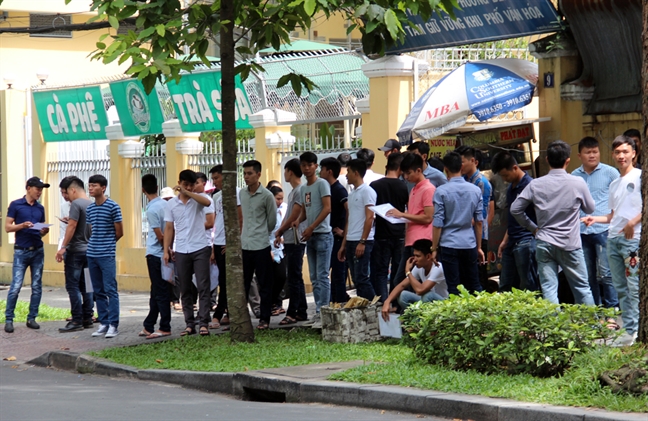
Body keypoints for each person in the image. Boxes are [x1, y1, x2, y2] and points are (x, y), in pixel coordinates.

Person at [510, 140, 595, 306]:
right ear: (568, 160)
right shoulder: (577, 182)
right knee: (582, 288)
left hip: (544, 242)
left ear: (547, 159)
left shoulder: (535, 184)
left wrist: (532, 228)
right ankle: (591, 328)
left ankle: (553, 329)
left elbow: (515, 209)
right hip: (570, 243)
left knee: (548, 288)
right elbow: (590, 208)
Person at [583, 135, 642, 346]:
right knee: (620, 287)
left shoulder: (640, 177)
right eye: (617, 152)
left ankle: (636, 331)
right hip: (613, 239)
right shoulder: (615, 182)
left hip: (632, 240)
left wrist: (632, 223)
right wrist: (594, 219)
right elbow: (612, 215)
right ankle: (629, 329)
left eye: (625, 152)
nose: (621, 156)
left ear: (634, 153)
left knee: (634, 286)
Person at [163, 170, 214, 337]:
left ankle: (204, 322)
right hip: (181, 249)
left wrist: (189, 193)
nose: (189, 187)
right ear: (179, 182)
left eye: (192, 185)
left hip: (200, 247)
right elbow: (169, 228)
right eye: (185, 184)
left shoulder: (199, 200)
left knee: (203, 286)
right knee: (184, 288)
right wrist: (166, 250)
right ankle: (189, 323)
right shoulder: (171, 204)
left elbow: (206, 203)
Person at [571, 137, 620, 308]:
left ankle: (612, 309)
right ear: (580, 155)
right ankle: (595, 310)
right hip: (581, 232)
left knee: (606, 273)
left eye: (595, 151)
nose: (592, 155)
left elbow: (620, 200)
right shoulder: (574, 176)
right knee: (587, 274)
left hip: (604, 229)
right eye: (588, 152)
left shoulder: (611, 173)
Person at [431, 151, 484, 294]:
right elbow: (479, 221)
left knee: (453, 287)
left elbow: (438, 223)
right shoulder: (475, 190)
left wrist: (434, 248)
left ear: (445, 169)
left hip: (449, 243)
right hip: (469, 243)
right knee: (474, 284)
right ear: (461, 167)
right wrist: (479, 247)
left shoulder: (440, 191)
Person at [4, 177, 50, 334]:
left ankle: (32, 318)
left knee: (37, 285)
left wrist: (44, 230)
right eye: (37, 189)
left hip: (37, 249)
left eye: (41, 189)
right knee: (16, 286)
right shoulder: (16, 205)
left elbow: (42, 229)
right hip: (21, 251)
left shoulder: (40, 208)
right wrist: (21, 226)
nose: (39, 192)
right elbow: (8, 227)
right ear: (28, 188)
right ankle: (9, 318)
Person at [491, 152, 540, 292]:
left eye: (505, 175)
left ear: (514, 168)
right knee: (505, 284)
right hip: (512, 241)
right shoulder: (510, 188)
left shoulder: (531, 185)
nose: (504, 179)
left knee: (528, 284)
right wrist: (504, 241)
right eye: (501, 176)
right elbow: (513, 218)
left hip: (526, 240)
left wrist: (536, 232)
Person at [387, 153, 435, 294]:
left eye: (408, 173)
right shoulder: (414, 189)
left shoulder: (428, 189)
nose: (406, 177)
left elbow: (428, 217)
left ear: (419, 171)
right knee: (402, 280)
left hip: (421, 241)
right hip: (411, 240)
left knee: (407, 280)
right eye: (404, 174)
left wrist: (402, 214)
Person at [239, 160, 277, 330]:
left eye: (249, 173)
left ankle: (265, 318)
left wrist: (261, 233)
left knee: (264, 284)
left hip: (261, 245)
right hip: (245, 245)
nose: (246, 177)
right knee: (244, 284)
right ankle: (242, 318)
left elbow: (272, 221)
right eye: (245, 173)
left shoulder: (267, 195)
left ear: (258, 174)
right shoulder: (242, 194)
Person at [86, 174, 124, 338]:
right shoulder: (90, 208)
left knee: (110, 289)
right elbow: (91, 230)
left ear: (103, 188)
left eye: (94, 185)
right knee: (97, 290)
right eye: (89, 185)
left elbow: (119, 232)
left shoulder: (113, 206)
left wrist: (107, 243)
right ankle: (103, 322)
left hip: (106, 254)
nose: (90, 188)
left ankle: (113, 325)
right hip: (91, 254)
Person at [298, 152, 332, 327]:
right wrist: (298, 221)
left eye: (310, 164)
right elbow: (305, 210)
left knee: (322, 275)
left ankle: (323, 311)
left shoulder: (322, 184)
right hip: (310, 236)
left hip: (323, 234)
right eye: (304, 165)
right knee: (313, 276)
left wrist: (312, 227)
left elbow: (327, 208)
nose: (307, 168)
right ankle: (319, 310)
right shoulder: (304, 188)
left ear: (315, 166)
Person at [55, 177, 94, 332]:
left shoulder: (76, 204)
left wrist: (63, 246)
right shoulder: (92, 204)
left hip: (76, 251)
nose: (66, 197)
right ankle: (88, 317)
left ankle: (76, 320)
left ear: (73, 190)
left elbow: (72, 226)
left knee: (73, 286)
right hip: (89, 250)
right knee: (87, 287)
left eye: (66, 193)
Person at [369, 153, 408, 302]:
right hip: (399, 234)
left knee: (380, 271)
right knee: (398, 271)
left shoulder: (375, 185)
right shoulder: (403, 186)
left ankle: (382, 302)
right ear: (400, 168)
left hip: (381, 233)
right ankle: (394, 303)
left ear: (387, 166)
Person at [274, 159, 309, 324]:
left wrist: (280, 230)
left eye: (285, 171)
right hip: (290, 237)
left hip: (296, 238)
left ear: (290, 171)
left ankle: (293, 311)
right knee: (296, 276)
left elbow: (294, 215)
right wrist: (280, 232)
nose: (284, 174)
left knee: (294, 277)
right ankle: (301, 310)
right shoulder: (294, 191)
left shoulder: (299, 190)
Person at [338, 158, 377, 301]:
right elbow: (349, 219)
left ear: (356, 172)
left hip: (362, 240)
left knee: (361, 277)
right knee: (356, 278)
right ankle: (364, 307)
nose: (346, 175)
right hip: (350, 240)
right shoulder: (352, 193)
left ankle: (374, 305)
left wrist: (363, 241)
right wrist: (343, 244)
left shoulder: (367, 191)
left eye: (348, 171)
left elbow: (370, 217)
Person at [380, 239, 448, 321]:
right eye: (414, 255)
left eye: (418, 256)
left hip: (443, 305)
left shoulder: (438, 268)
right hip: (427, 304)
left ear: (428, 257)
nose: (415, 259)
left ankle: (420, 325)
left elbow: (420, 290)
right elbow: (402, 285)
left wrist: (408, 272)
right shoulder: (419, 267)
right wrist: (387, 302)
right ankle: (418, 323)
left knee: (427, 295)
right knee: (403, 295)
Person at [208, 165, 241, 329]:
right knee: (222, 279)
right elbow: (216, 223)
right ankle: (226, 312)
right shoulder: (216, 197)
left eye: (217, 178)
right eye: (213, 179)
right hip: (219, 242)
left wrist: (233, 243)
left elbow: (240, 219)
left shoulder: (237, 193)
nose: (215, 182)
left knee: (228, 280)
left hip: (230, 243)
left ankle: (219, 314)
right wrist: (214, 247)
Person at [456, 145, 493, 292]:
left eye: (463, 162)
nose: (461, 166)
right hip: (465, 235)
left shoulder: (482, 183)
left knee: (479, 278)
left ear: (473, 161)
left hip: (478, 237)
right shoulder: (463, 180)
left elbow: (481, 216)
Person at [140, 174, 171, 339]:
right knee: (157, 290)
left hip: (156, 253)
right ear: (157, 188)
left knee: (160, 292)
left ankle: (165, 326)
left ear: (143, 190)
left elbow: (159, 236)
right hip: (163, 253)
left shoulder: (152, 209)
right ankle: (149, 325)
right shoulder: (165, 205)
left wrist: (165, 248)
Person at [319, 157, 349, 304]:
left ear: (329, 171)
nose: (319, 172)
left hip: (337, 239)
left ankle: (340, 303)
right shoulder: (327, 189)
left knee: (338, 275)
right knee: (326, 274)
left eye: (322, 169)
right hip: (329, 237)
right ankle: (332, 303)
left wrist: (344, 232)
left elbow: (349, 209)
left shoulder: (338, 189)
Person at [269, 186, 287, 316]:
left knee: (281, 277)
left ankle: (273, 302)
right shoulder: (266, 212)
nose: (280, 201)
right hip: (268, 249)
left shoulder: (279, 212)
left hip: (279, 249)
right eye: (278, 199)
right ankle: (269, 305)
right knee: (270, 280)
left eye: (281, 199)